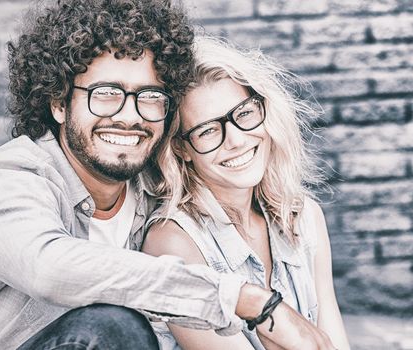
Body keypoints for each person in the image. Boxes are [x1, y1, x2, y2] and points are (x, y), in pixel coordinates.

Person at [0, 1, 334, 349]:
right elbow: (49, 267)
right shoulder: (4, 180)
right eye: (106, 94)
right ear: (57, 102)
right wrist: (246, 299)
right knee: (111, 328)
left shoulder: (149, 196)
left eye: (149, 97)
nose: (129, 116)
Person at [142, 36, 351, 350]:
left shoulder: (304, 216)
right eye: (208, 130)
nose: (237, 140)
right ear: (182, 148)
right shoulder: (172, 244)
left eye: (243, 114)